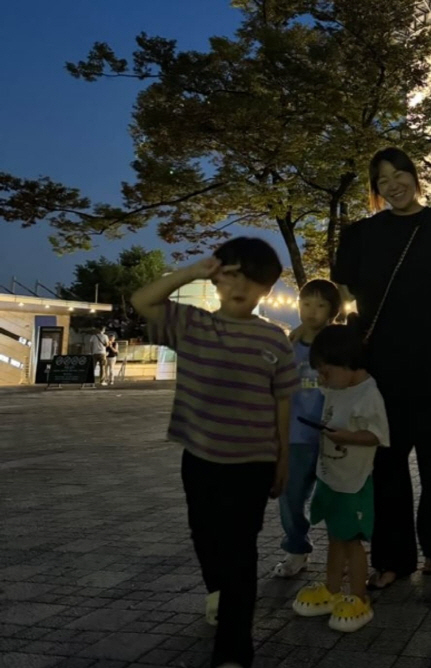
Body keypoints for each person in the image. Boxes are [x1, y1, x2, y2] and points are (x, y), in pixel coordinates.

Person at [131, 237, 299, 668]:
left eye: (253, 279)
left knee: (240, 550)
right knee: (205, 537)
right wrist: (191, 271)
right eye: (232, 273)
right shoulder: (191, 324)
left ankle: (233, 650)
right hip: (201, 456)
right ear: (218, 276)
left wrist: (283, 458)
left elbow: (283, 403)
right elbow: (141, 300)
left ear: (266, 288)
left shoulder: (275, 341)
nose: (240, 285)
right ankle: (219, 594)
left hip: (253, 463)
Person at [331, 147, 431, 587]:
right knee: (386, 469)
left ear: (416, 176)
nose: (393, 184)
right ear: (375, 190)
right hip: (384, 372)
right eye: (382, 180)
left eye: (400, 174)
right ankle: (391, 558)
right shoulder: (360, 235)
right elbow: (341, 290)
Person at [293, 325, 389, 632]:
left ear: (346, 362)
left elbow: (377, 435)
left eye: (325, 370)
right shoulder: (338, 385)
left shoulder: (368, 393)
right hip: (331, 476)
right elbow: (322, 386)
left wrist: (346, 436)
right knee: (335, 536)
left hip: (354, 481)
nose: (322, 378)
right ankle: (332, 590)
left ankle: (358, 598)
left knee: (351, 541)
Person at [275, 279, 342, 579]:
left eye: (320, 305)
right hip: (296, 436)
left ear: (332, 311)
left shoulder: (338, 343)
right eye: (306, 304)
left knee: (337, 497)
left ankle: (343, 552)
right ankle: (296, 549)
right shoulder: (289, 344)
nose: (311, 311)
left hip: (333, 435)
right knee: (290, 497)